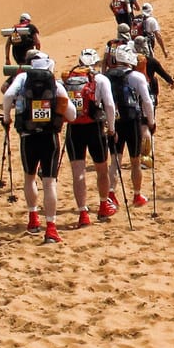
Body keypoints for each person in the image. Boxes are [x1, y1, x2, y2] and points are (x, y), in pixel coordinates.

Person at [1, 53, 72, 243]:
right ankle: (51, 227)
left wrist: (7, 117)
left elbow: (7, 95)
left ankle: (33, 218)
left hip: (28, 136)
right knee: (49, 183)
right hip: (50, 137)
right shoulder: (55, 83)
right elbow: (72, 113)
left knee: (29, 177)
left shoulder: (23, 79)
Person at [62, 48, 116, 227]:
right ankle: (103, 205)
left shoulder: (68, 79)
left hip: (74, 129)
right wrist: (112, 128)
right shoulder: (100, 79)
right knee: (102, 169)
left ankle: (83, 213)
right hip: (95, 128)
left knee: (78, 173)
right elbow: (109, 105)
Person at [102, 44, 154, 212]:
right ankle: (137, 195)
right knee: (135, 161)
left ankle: (111, 193)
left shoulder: (106, 76)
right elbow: (147, 101)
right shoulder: (137, 76)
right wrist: (151, 121)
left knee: (115, 160)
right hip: (132, 121)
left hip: (115, 121)